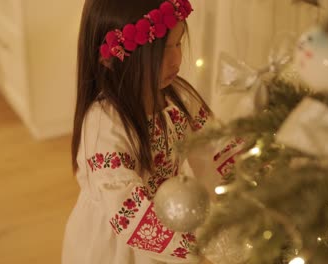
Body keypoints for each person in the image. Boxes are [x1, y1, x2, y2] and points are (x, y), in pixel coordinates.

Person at [62, 0, 243, 263]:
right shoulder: (105, 123)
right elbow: (125, 207)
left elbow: (215, 150)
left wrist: (247, 187)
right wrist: (193, 253)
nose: (176, 59)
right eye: (162, 50)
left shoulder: (181, 97)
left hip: (177, 214)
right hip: (121, 241)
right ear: (113, 59)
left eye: (178, 44)